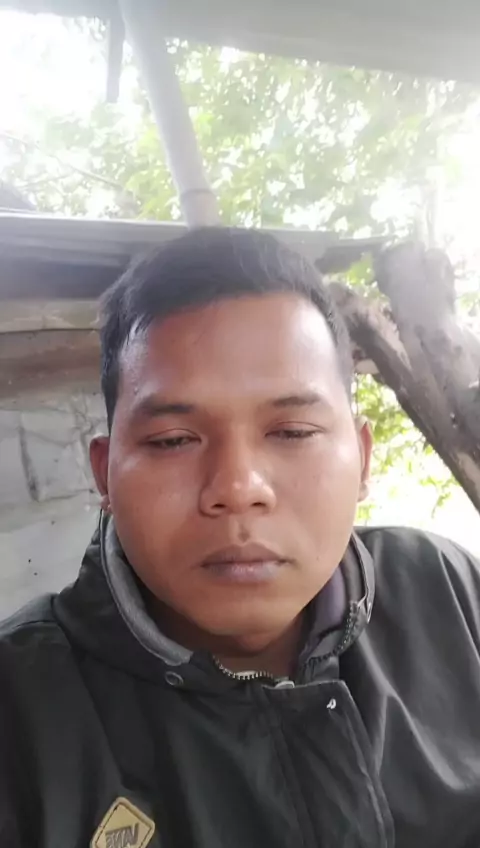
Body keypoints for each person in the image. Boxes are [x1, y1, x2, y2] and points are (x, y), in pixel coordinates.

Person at [1, 227, 480, 848]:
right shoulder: (20, 715)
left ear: (363, 460)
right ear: (105, 475)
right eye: (173, 440)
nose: (237, 487)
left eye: (292, 432)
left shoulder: (447, 590)